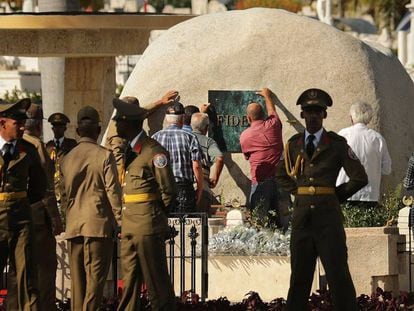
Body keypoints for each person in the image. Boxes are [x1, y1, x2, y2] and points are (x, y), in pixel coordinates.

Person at [275, 88, 368, 310]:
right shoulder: (293, 144)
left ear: (324, 115)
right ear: (302, 115)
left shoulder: (336, 144)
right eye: (309, 111)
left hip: (328, 221)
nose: (313, 116)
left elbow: (359, 177)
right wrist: (298, 192)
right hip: (302, 221)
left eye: (318, 111)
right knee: (299, 279)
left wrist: (335, 196)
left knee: (338, 277)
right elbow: (280, 174)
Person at [113, 97, 177, 311]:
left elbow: (168, 190)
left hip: (147, 226)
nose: (115, 125)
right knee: (129, 284)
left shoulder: (153, 151)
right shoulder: (130, 151)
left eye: (119, 121)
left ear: (129, 123)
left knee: (156, 282)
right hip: (130, 226)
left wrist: (155, 218)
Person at [60, 106, 122, 311]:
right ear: (98, 130)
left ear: (77, 132)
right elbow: (113, 192)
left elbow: (62, 194)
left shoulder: (66, 158)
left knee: (78, 283)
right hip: (98, 225)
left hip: (74, 225)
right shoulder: (105, 155)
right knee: (95, 281)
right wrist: (120, 221)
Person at [0, 98, 47, 310]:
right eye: (16, 123)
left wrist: (21, 201)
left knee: (26, 276)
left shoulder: (28, 150)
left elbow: (38, 186)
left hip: (21, 218)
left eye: (23, 123)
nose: (22, 127)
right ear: (2, 123)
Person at [22, 104, 63, 311]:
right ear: (39, 124)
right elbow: (46, 188)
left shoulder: (12, 143)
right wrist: (55, 217)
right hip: (38, 217)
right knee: (44, 271)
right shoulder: (37, 146)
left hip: (17, 216)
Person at [240, 88, 286, 229]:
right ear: (264, 115)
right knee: (281, 220)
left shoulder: (245, 136)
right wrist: (267, 96)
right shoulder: (274, 124)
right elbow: (272, 111)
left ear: (248, 118)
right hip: (279, 181)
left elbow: (247, 156)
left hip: (259, 183)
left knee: (259, 222)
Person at [105, 90, 179, 179]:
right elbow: (118, 158)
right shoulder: (119, 130)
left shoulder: (127, 119)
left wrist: (161, 101)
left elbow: (145, 111)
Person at [336, 101, 392, 207]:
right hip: (369, 195)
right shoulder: (378, 139)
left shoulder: (342, 135)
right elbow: (387, 169)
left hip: (345, 194)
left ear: (351, 118)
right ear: (369, 119)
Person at [152, 102, 203, 214]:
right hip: (183, 188)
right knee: (185, 226)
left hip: (161, 188)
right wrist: (199, 190)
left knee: (164, 225)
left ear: (166, 118)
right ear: (183, 117)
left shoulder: (155, 138)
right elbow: (196, 166)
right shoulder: (190, 137)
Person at [190, 112, 224, 214]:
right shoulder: (208, 142)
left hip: (183, 184)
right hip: (202, 184)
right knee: (201, 223)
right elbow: (219, 158)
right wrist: (214, 178)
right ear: (206, 128)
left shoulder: (184, 138)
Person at [45, 112, 77, 207]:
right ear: (52, 128)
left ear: (65, 128)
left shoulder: (72, 144)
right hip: (53, 189)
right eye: (55, 126)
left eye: (60, 126)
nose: (57, 129)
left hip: (66, 189)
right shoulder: (48, 147)